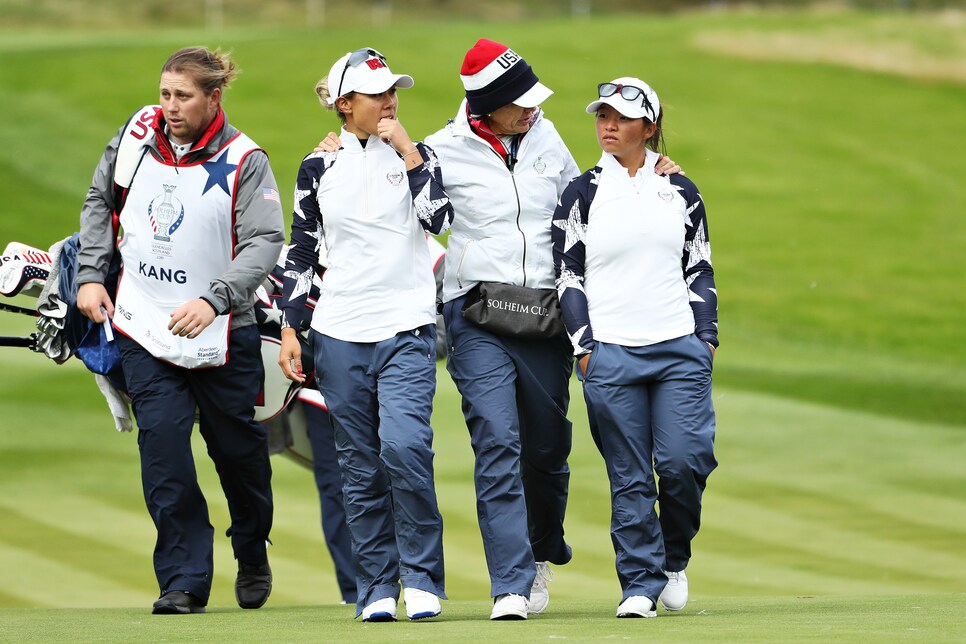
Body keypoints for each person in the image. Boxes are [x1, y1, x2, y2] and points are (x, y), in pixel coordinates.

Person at [423, 39, 682, 620]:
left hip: (544, 313)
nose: (533, 109)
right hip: (478, 313)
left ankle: (541, 549)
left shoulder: (545, 135)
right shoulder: (438, 150)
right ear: (487, 104)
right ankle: (510, 584)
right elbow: (417, 213)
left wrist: (654, 173)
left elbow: (591, 197)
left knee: (545, 448)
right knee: (496, 439)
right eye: (520, 101)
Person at [75, 47, 285, 614]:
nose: (169, 106)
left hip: (221, 332)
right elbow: (100, 201)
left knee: (239, 457)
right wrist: (91, 274)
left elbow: (265, 241)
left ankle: (251, 547)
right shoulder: (134, 139)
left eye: (183, 96)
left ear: (213, 97)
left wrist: (215, 299)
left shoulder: (246, 158)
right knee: (163, 454)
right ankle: (184, 580)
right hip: (144, 325)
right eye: (165, 93)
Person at [278, 47, 453, 623]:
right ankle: (376, 584)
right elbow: (302, 252)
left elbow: (439, 219)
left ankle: (423, 577)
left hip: (406, 325)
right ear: (345, 104)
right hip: (339, 332)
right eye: (377, 93)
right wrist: (290, 327)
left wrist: (408, 149)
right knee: (359, 464)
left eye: (393, 90)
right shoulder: (317, 167)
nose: (390, 100)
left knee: (404, 447)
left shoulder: (413, 157)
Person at [551, 77, 718, 619]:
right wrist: (585, 349)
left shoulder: (681, 189)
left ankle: (672, 559)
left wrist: (705, 338)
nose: (608, 125)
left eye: (621, 118)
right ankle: (639, 585)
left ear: (648, 127)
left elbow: (699, 266)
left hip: (677, 348)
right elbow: (568, 276)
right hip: (611, 352)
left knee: (684, 462)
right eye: (602, 116)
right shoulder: (581, 193)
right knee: (629, 476)